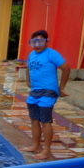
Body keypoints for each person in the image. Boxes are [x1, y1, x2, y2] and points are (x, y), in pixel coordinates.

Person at [20, 30, 70, 160]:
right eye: (34, 42)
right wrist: (27, 80)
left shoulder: (51, 54)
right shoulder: (32, 54)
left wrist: (62, 87)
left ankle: (46, 150)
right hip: (35, 91)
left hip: (48, 91)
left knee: (45, 121)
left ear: (46, 41)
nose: (37, 44)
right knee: (34, 119)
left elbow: (66, 68)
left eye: (41, 41)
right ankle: (36, 146)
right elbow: (28, 67)